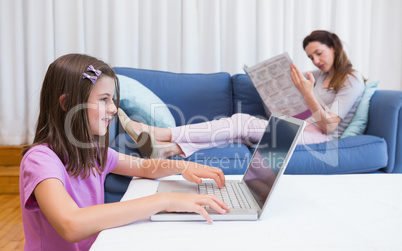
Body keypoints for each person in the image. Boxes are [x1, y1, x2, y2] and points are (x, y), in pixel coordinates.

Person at [20, 54, 230, 251]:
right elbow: (71, 224)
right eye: (104, 99)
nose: (113, 109)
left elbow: (144, 166)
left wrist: (183, 165)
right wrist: (166, 200)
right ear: (67, 103)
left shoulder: (92, 152)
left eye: (112, 99)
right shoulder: (40, 160)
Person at [119, 30, 365, 158]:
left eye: (319, 53)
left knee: (241, 122)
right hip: (301, 126)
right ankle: (167, 150)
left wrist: (307, 94)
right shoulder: (317, 76)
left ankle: (159, 133)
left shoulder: (351, 79)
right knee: (237, 137)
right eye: (311, 56)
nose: (316, 60)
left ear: (334, 47)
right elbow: (301, 111)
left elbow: (330, 127)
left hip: (321, 137)